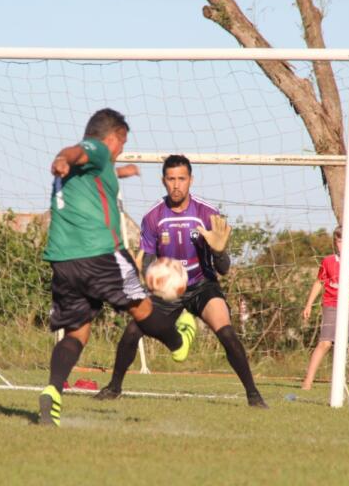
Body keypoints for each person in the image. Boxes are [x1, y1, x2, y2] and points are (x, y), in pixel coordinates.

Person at [40, 109, 196, 426]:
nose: (120, 150)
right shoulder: (94, 149)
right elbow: (77, 153)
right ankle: (178, 342)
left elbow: (92, 168)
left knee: (76, 332)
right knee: (142, 309)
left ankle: (53, 391)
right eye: (121, 143)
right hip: (100, 253)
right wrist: (62, 157)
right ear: (111, 137)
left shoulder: (94, 170)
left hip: (62, 259)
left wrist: (121, 172)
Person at [93, 154, 267, 408]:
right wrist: (147, 272)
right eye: (171, 179)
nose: (176, 185)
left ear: (191, 180)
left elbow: (224, 269)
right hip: (168, 290)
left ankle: (253, 395)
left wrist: (219, 251)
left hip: (202, 284)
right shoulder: (153, 217)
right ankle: (114, 388)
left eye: (181, 179)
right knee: (132, 331)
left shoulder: (207, 213)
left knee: (227, 333)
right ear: (163, 181)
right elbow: (148, 260)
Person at [302, 226, 349, 392]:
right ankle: (307, 381)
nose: (342, 244)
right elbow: (319, 283)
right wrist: (309, 304)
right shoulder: (328, 261)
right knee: (325, 344)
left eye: (345, 241)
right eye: (339, 241)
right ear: (335, 243)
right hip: (331, 306)